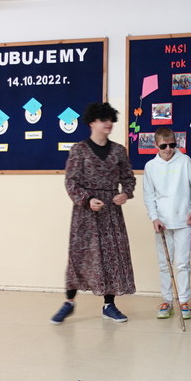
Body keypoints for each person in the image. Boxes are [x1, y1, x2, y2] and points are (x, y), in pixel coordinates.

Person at [50, 102, 136, 324]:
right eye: (103, 119)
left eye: (110, 119)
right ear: (91, 122)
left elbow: (128, 178)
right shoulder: (79, 150)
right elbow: (71, 182)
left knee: (111, 256)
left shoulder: (119, 151)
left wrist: (125, 194)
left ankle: (109, 305)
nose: (108, 123)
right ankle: (69, 302)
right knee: (80, 256)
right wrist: (87, 200)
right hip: (85, 214)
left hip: (111, 212)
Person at [143, 127, 191, 320]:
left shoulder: (185, 161)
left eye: (172, 145)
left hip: (184, 220)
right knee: (164, 264)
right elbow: (149, 195)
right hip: (162, 223)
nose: (168, 149)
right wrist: (154, 217)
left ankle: (183, 300)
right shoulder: (151, 166)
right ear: (156, 145)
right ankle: (167, 300)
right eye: (164, 146)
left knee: (183, 263)